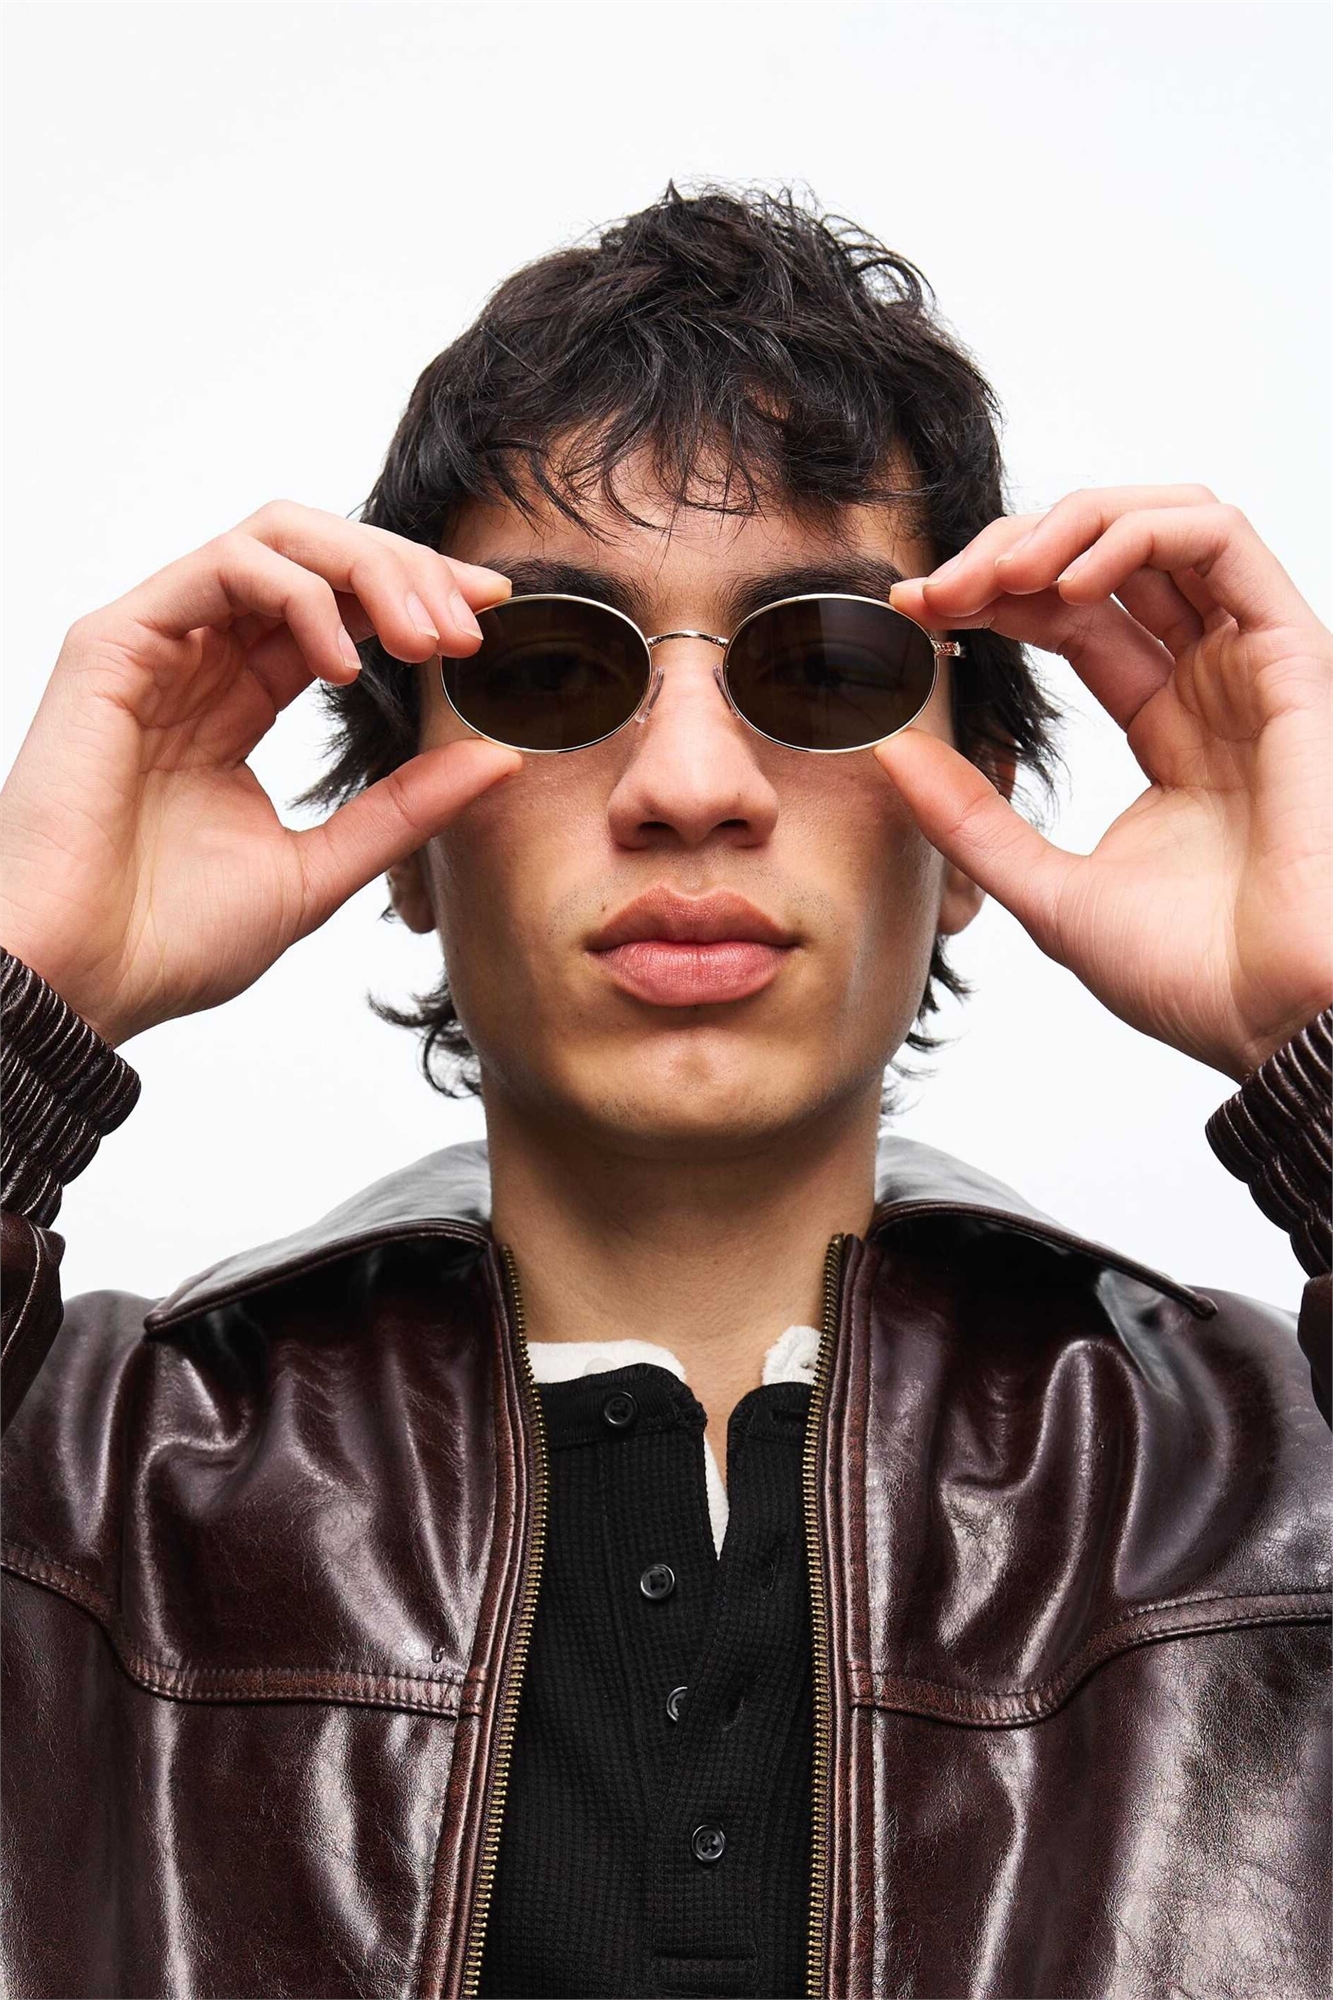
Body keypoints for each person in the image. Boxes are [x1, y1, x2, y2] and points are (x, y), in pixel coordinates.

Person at [0, 186, 1327, 2000]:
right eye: (554, 673)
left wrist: (1321, 1021)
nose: (691, 785)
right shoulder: (70, 1477)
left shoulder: (1281, 1487)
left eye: (825, 668)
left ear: (979, 821)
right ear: (398, 825)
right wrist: (24, 994)